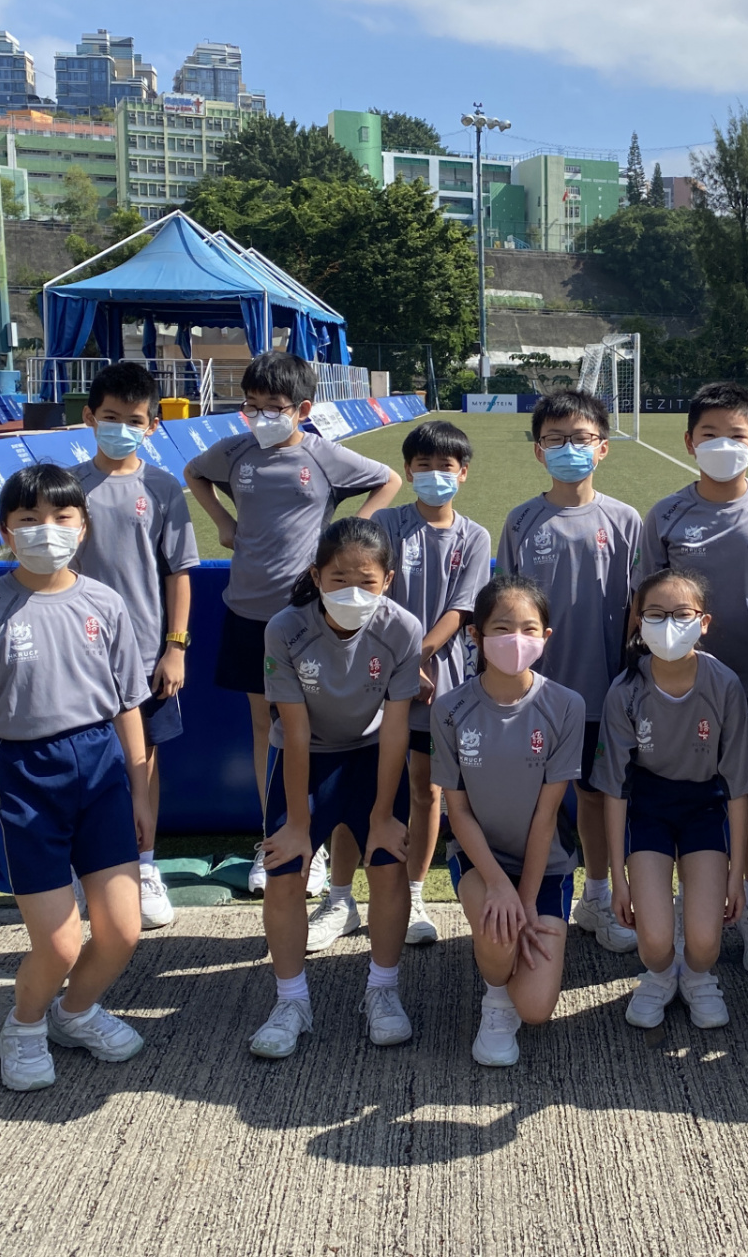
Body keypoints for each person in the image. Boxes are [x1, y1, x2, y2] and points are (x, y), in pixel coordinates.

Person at [0, 464, 152, 1092]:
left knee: (123, 930)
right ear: (5, 531)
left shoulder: (104, 603)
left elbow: (128, 705)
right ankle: (24, 1027)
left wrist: (140, 791)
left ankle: (74, 1012)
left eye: (62, 517)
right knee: (58, 944)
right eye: (29, 518)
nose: (46, 529)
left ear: (82, 527)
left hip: (100, 770)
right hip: (23, 777)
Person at [185, 351, 401, 895]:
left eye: (274, 407)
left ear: (303, 409)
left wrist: (347, 533)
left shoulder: (324, 456)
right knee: (268, 728)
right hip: (247, 610)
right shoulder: (235, 452)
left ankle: (317, 842)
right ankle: (275, 836)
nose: (262, 417)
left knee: (320, 729)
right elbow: (194, 473)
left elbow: (388, 479)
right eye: (252, 406)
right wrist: (224, 522)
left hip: (309, 614)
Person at [644, 381, 748, 979]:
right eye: (709, 434)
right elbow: (643, 602)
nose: (723, 444)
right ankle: (687, 909)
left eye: (736, 435)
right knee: (687, 795)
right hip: (683, 688)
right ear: (689, 441)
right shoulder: (665, 514)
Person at [250, 518, 421, 1057]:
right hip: (307, 759)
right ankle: (291, 1001)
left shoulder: (402, 629)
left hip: (372, 756)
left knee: (389, 868)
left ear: (387, 580)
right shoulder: (285, 628)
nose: (352, 591)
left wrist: (384, 815)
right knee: (285, 873)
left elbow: (396, 728)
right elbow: (295, 731)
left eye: (366, 581)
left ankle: (383, 991)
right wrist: (299, 826)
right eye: (338, 578)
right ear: (316, 576)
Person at [496, 390, 643, 954]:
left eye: (580, 438)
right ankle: (537, 897)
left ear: (603, 447)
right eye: (555, 439)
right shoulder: (521, 520)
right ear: (539, 450)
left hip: (606, 690)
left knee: (600, 797)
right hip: (537, 694)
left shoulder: (625, 520)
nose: (568, 449)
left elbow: (638, 607)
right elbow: (505, 607)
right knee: (541, 801)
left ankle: (598, 896)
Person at [432, 572, 585, 1067]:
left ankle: (515, 967)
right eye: (501, 628)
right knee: (499, 935)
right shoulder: (450, 709)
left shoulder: (567, 706)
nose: (515, 639)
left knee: (537, 1009)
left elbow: (546, 815)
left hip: (546, 867)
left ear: (546, 636)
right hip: (482, 861)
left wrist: (526, 899)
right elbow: (458, 811)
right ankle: (495, 1000)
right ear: (475, 635)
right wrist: (499, 886)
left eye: (528, 628)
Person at [352, 419, 494, 951]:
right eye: (424, 465)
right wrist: (401, 662)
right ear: (408, 471)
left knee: (426, 789)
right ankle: (345, 895)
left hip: (441, 683)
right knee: (368, 785)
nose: (435, 475)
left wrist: (420, 658)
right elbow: (370, 594)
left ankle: (414, 895)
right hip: (380, 676)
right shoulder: (387, 524)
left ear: (464, 473)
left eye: (446, 466)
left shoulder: (474, 536)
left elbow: (462, 608)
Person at [595, 569, 748, 1031]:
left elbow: (739, 786)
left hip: (705, 808)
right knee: (653, 940)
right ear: (638, 621)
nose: (669, 625)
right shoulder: (625, 690)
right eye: (656, 614)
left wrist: (737, 876)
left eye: (681, 614)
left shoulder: (724, 684)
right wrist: (618, 879)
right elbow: (614, 790)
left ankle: (699, 977)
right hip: (649, 809)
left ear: (703, 622)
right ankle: (661, 975)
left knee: (705, 942)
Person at [69, 361, 200, 931]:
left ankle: (144, 868)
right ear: (89, 417)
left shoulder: (163, 488)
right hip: (77, 654)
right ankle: (88, 871)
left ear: (152, 425)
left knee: (143, 760)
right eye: (110, 417)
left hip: (146, 654)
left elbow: (179, 574)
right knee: (82, 761)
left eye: (135, 420)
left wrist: (175, 647)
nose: (121, 428)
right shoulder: (66, 487)